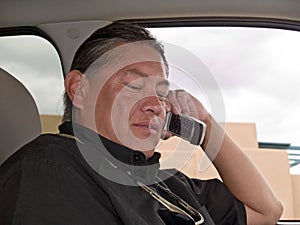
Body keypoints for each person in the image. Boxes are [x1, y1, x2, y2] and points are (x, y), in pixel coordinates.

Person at [0, 22, 282, 225]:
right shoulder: (48, 171)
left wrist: (206, 125)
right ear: (80, 89)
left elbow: (266, 211)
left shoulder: (169, 183)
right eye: (133, 85)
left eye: (161, 93)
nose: (154, 105)